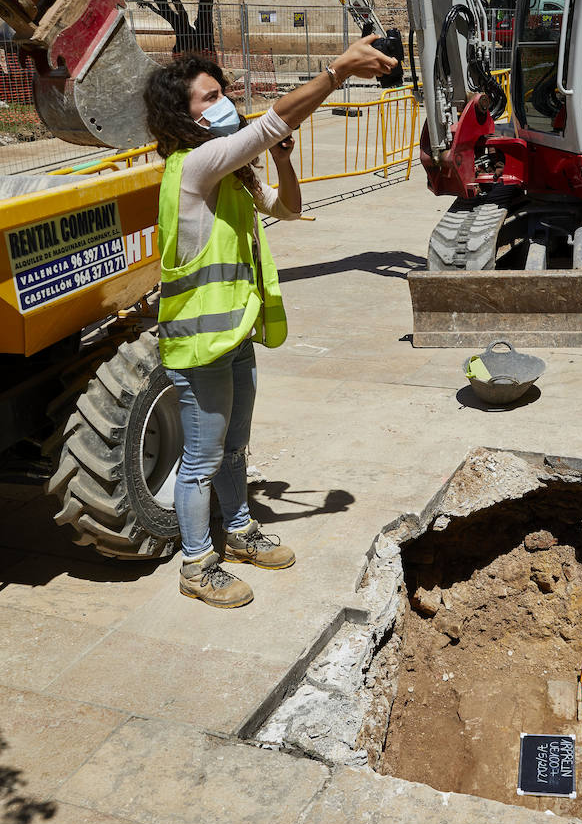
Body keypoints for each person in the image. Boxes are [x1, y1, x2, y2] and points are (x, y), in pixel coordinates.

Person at [144, 37, 396, 608]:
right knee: (202, 459)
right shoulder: (195, 166)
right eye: (211, 98)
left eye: (223, 92)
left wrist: (281, 160)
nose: (225, 103)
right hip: (200, 343)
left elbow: (286, 210)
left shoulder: (230, 175)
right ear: (184, 118)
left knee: (235, 448)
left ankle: (239, 532)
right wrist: (336, 72)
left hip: (233, 334)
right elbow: (268, 122)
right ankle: (196, 563)